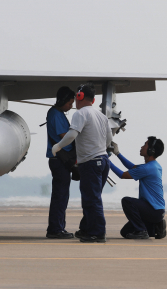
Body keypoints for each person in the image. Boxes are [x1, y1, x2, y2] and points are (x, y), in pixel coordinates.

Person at [52, 83, 112, 243]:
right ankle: (86, 229)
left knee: (91, 200)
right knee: (92, 198)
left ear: (80, 96)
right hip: (104, 160)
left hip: (91, 163)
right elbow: (109, 140)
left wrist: (58, 146)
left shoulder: (80, 114)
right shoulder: (101, 116)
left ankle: (98, 233)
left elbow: (72, 135)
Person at [108, 138, 166, 239]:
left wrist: (106, 160)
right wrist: (117, 153)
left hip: (153, 210)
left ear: (151, 150)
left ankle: (141, 231)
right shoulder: (154, 165)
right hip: (157, 211)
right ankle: (156, 228)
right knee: (125, 232)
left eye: (145, 145)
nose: (142, 147)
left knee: (127, 201)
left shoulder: (147, 168)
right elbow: (132, 167)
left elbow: (122, 175)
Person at [45, 86, 76, 239]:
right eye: (70, 103)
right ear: (62, 101)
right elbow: (65, 135)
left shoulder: (59, 114)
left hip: (60, 159)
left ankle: (58, 227)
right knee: (60, 195)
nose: (71, 106)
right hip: (59, 160)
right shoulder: (55, 115)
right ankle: (55, 229)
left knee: (62, 195)